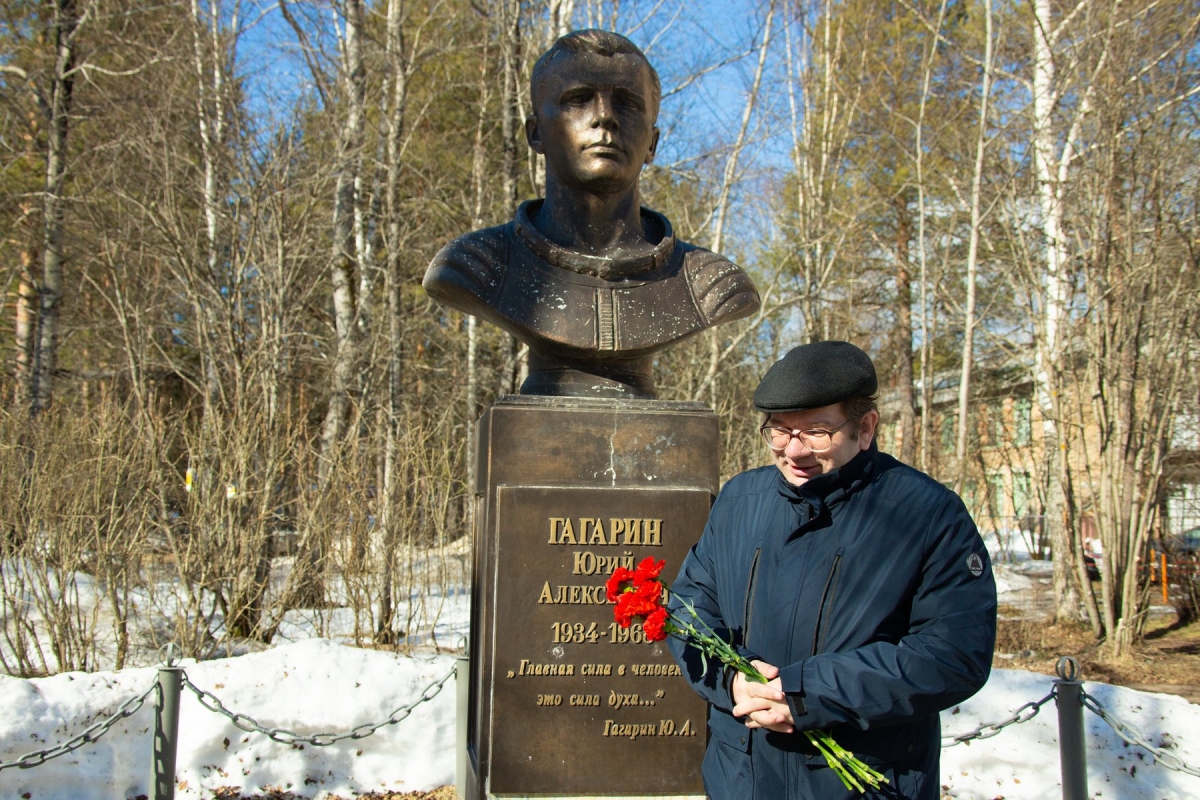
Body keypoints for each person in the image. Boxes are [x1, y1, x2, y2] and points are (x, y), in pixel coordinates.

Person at [668, 341, 997, 799]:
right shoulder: (739, 500)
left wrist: (806, 694)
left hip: (863, 781)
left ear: (865, 427)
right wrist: (733, 681)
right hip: (742, 776)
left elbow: (953, 654)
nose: (793, 451)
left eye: (817, 432)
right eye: (779, 431)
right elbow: (688, 609)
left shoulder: (926, 514)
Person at [422, 30, 759, 399]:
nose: (604, 118)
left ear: (652, 143)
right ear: (536, 134)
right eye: (578, 100)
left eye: (626, 103)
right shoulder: (478, 266)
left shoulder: (709, 286)